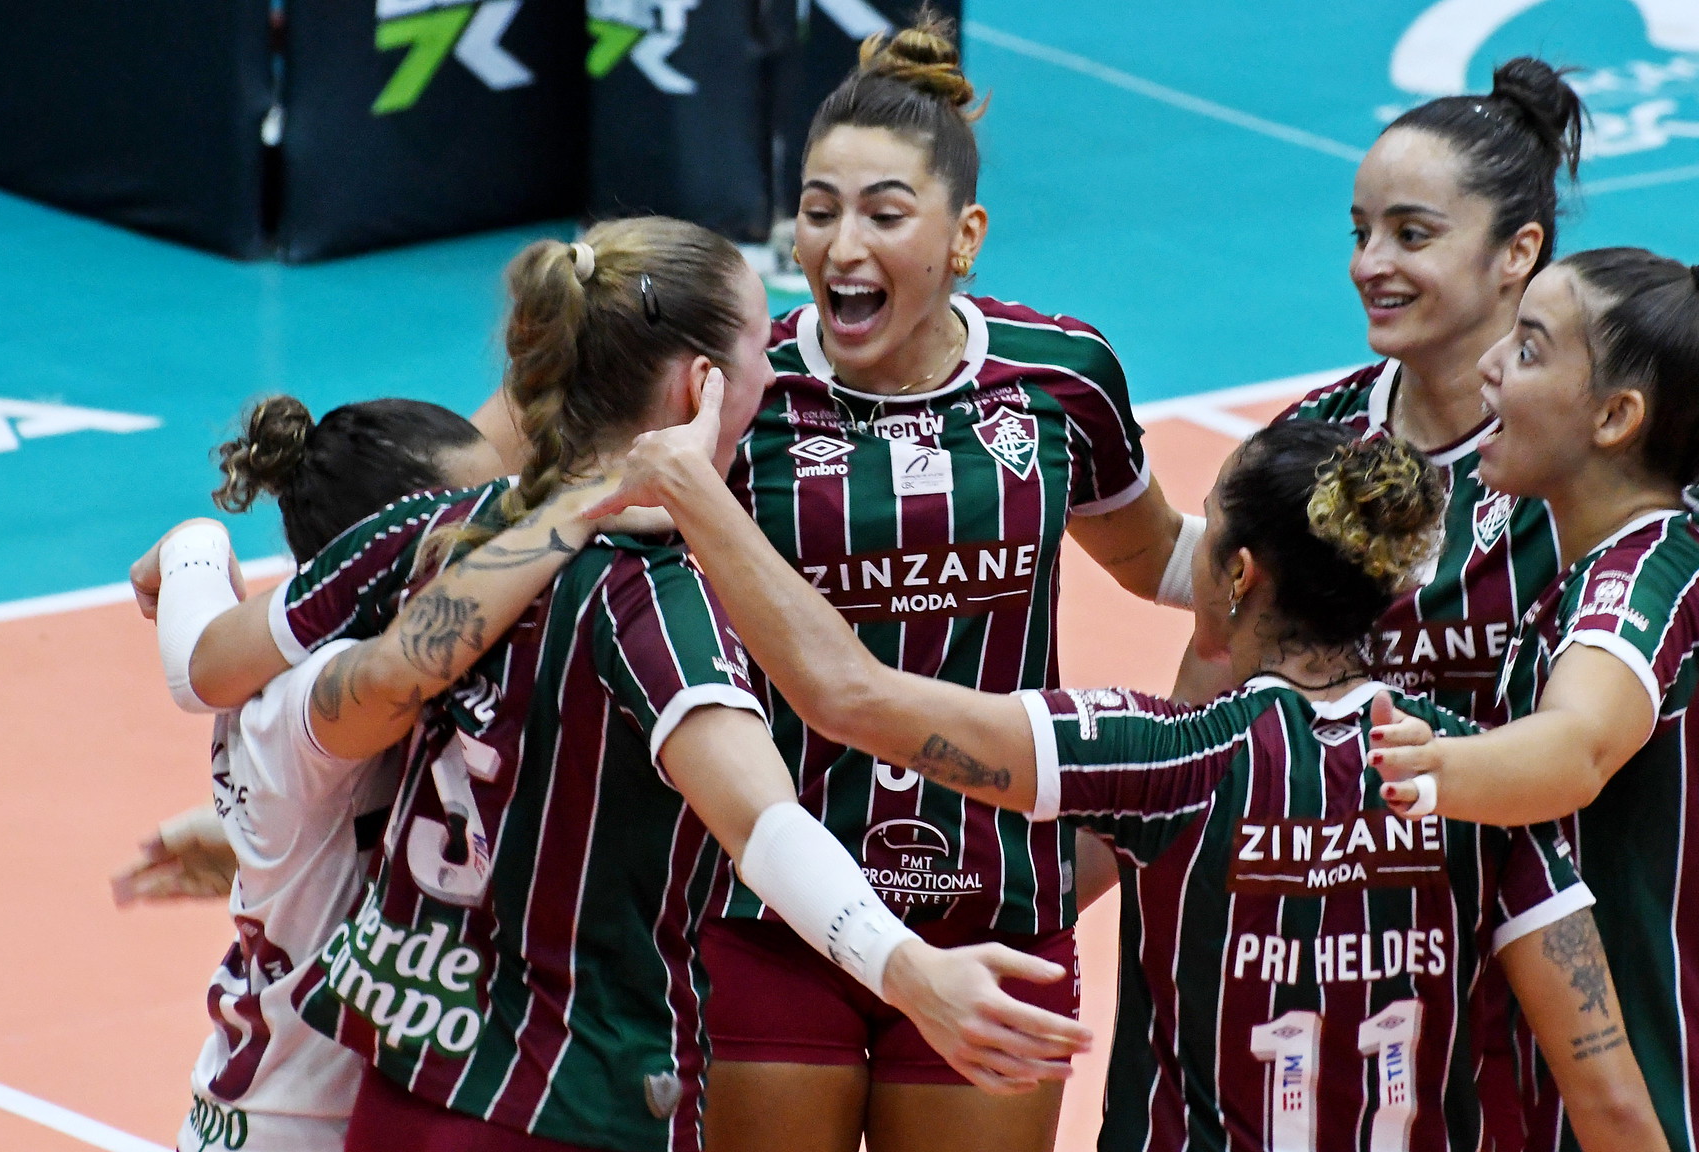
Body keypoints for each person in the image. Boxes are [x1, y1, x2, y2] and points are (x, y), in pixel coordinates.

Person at [183, 215, 1093, 1152]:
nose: (776, 375)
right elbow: (762, 823)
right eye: (759, 350)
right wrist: (908, 970)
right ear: (700, 386)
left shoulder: (435, 528)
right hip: (575, 1100)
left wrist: (189, 553)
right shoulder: (648, 596)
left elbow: (209, 664)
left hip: (402, 1088)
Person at [580, 379, 1673, 1152]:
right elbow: (1612, 1104)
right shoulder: (1480, 778)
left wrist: (693, 489)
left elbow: (848, 698)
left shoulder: (1174, 755)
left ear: (1235, 578)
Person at [474, 15, 1191, 1151]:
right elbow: (507, 476)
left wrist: (1335, 566)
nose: (841, 245)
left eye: (884, 214)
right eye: (817, 210)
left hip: (998, 914)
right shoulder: (733, 385)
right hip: (766, 913)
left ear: (964, 236)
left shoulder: (1061, 376)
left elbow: (1178, 568)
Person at [1179, 58, 1699, 718]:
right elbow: (1209, 684)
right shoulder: (1314, 445)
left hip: (1584, 857)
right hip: (1398, 862)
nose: (1367, 264)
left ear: (1517, 251)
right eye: (1361, 232)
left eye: (1411, 235)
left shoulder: (1617, 426)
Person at [1371, 250, 1699, 1152]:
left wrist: (1419, 766)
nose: (1488, 365)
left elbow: (1576, 748)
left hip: (1686, 1110)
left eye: (1526, 349)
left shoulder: (1635, 589)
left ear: (1614, 417)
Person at [124, 394, 603, 1152]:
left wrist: (192, 547)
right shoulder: (312, 691)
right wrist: (579, 506)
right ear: (383, 557)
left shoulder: (289, 660)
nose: (503, 533)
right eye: (480, 522)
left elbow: (199, 619)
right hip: (300, 1127)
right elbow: (381, 672)